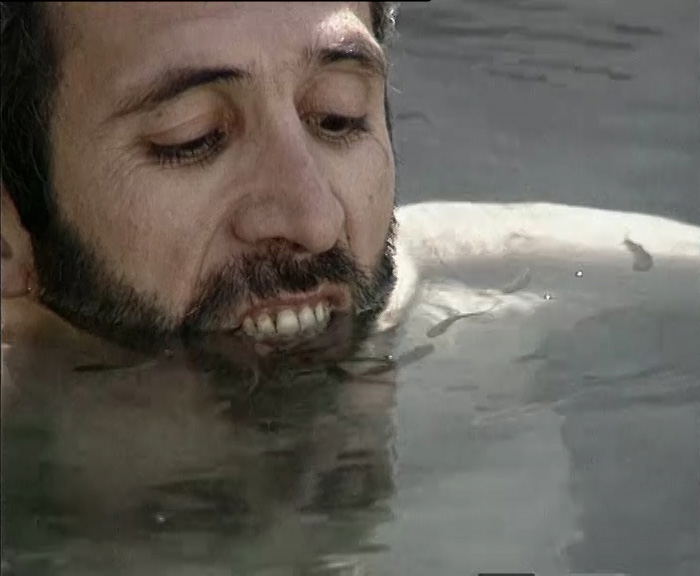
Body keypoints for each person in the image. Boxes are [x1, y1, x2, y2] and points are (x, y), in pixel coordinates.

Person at [2, 1, 699, 359]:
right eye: (195, 139)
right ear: (9, 229)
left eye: (336, 118)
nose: (314, 218)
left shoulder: (504, 300)